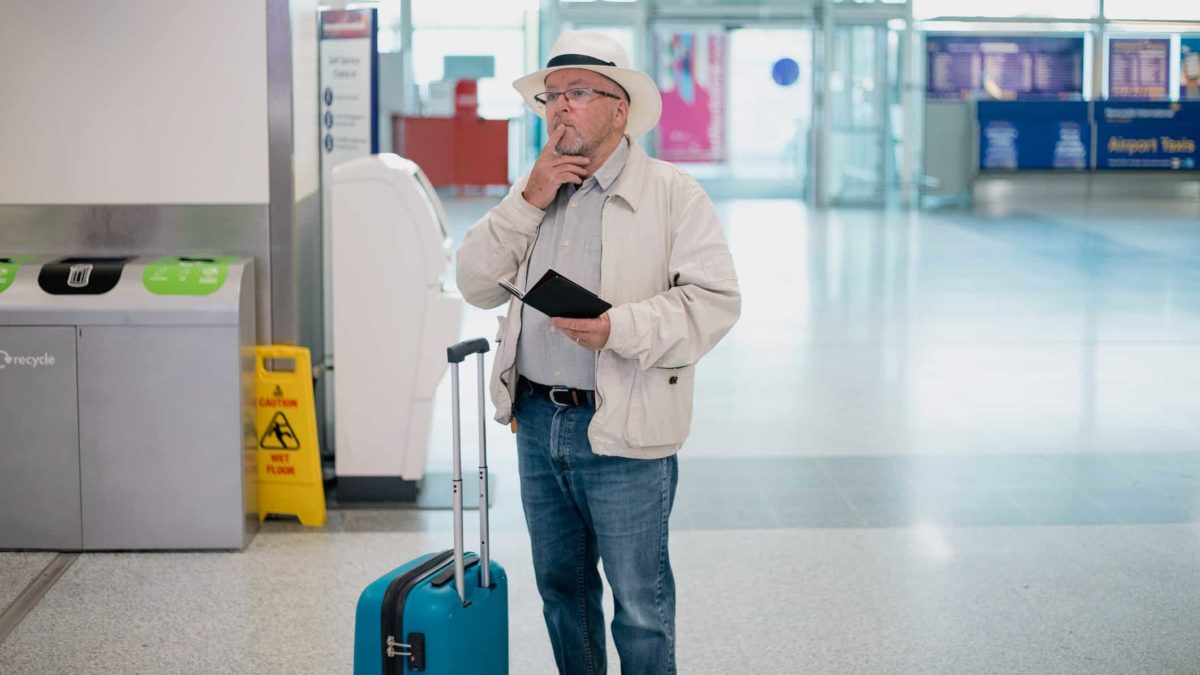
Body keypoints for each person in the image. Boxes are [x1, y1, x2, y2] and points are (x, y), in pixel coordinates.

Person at [456, 31, 740, 675]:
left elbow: (714, 302)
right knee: (563, 594)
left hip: (624, 431)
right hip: (536, 422)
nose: (560, 106)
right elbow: (474, 282)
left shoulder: (673, 195)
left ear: (620, 109)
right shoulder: (532, 193)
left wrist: (620, 328)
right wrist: (525, 200)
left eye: (579, 92)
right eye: (552, 95)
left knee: (640, 604)